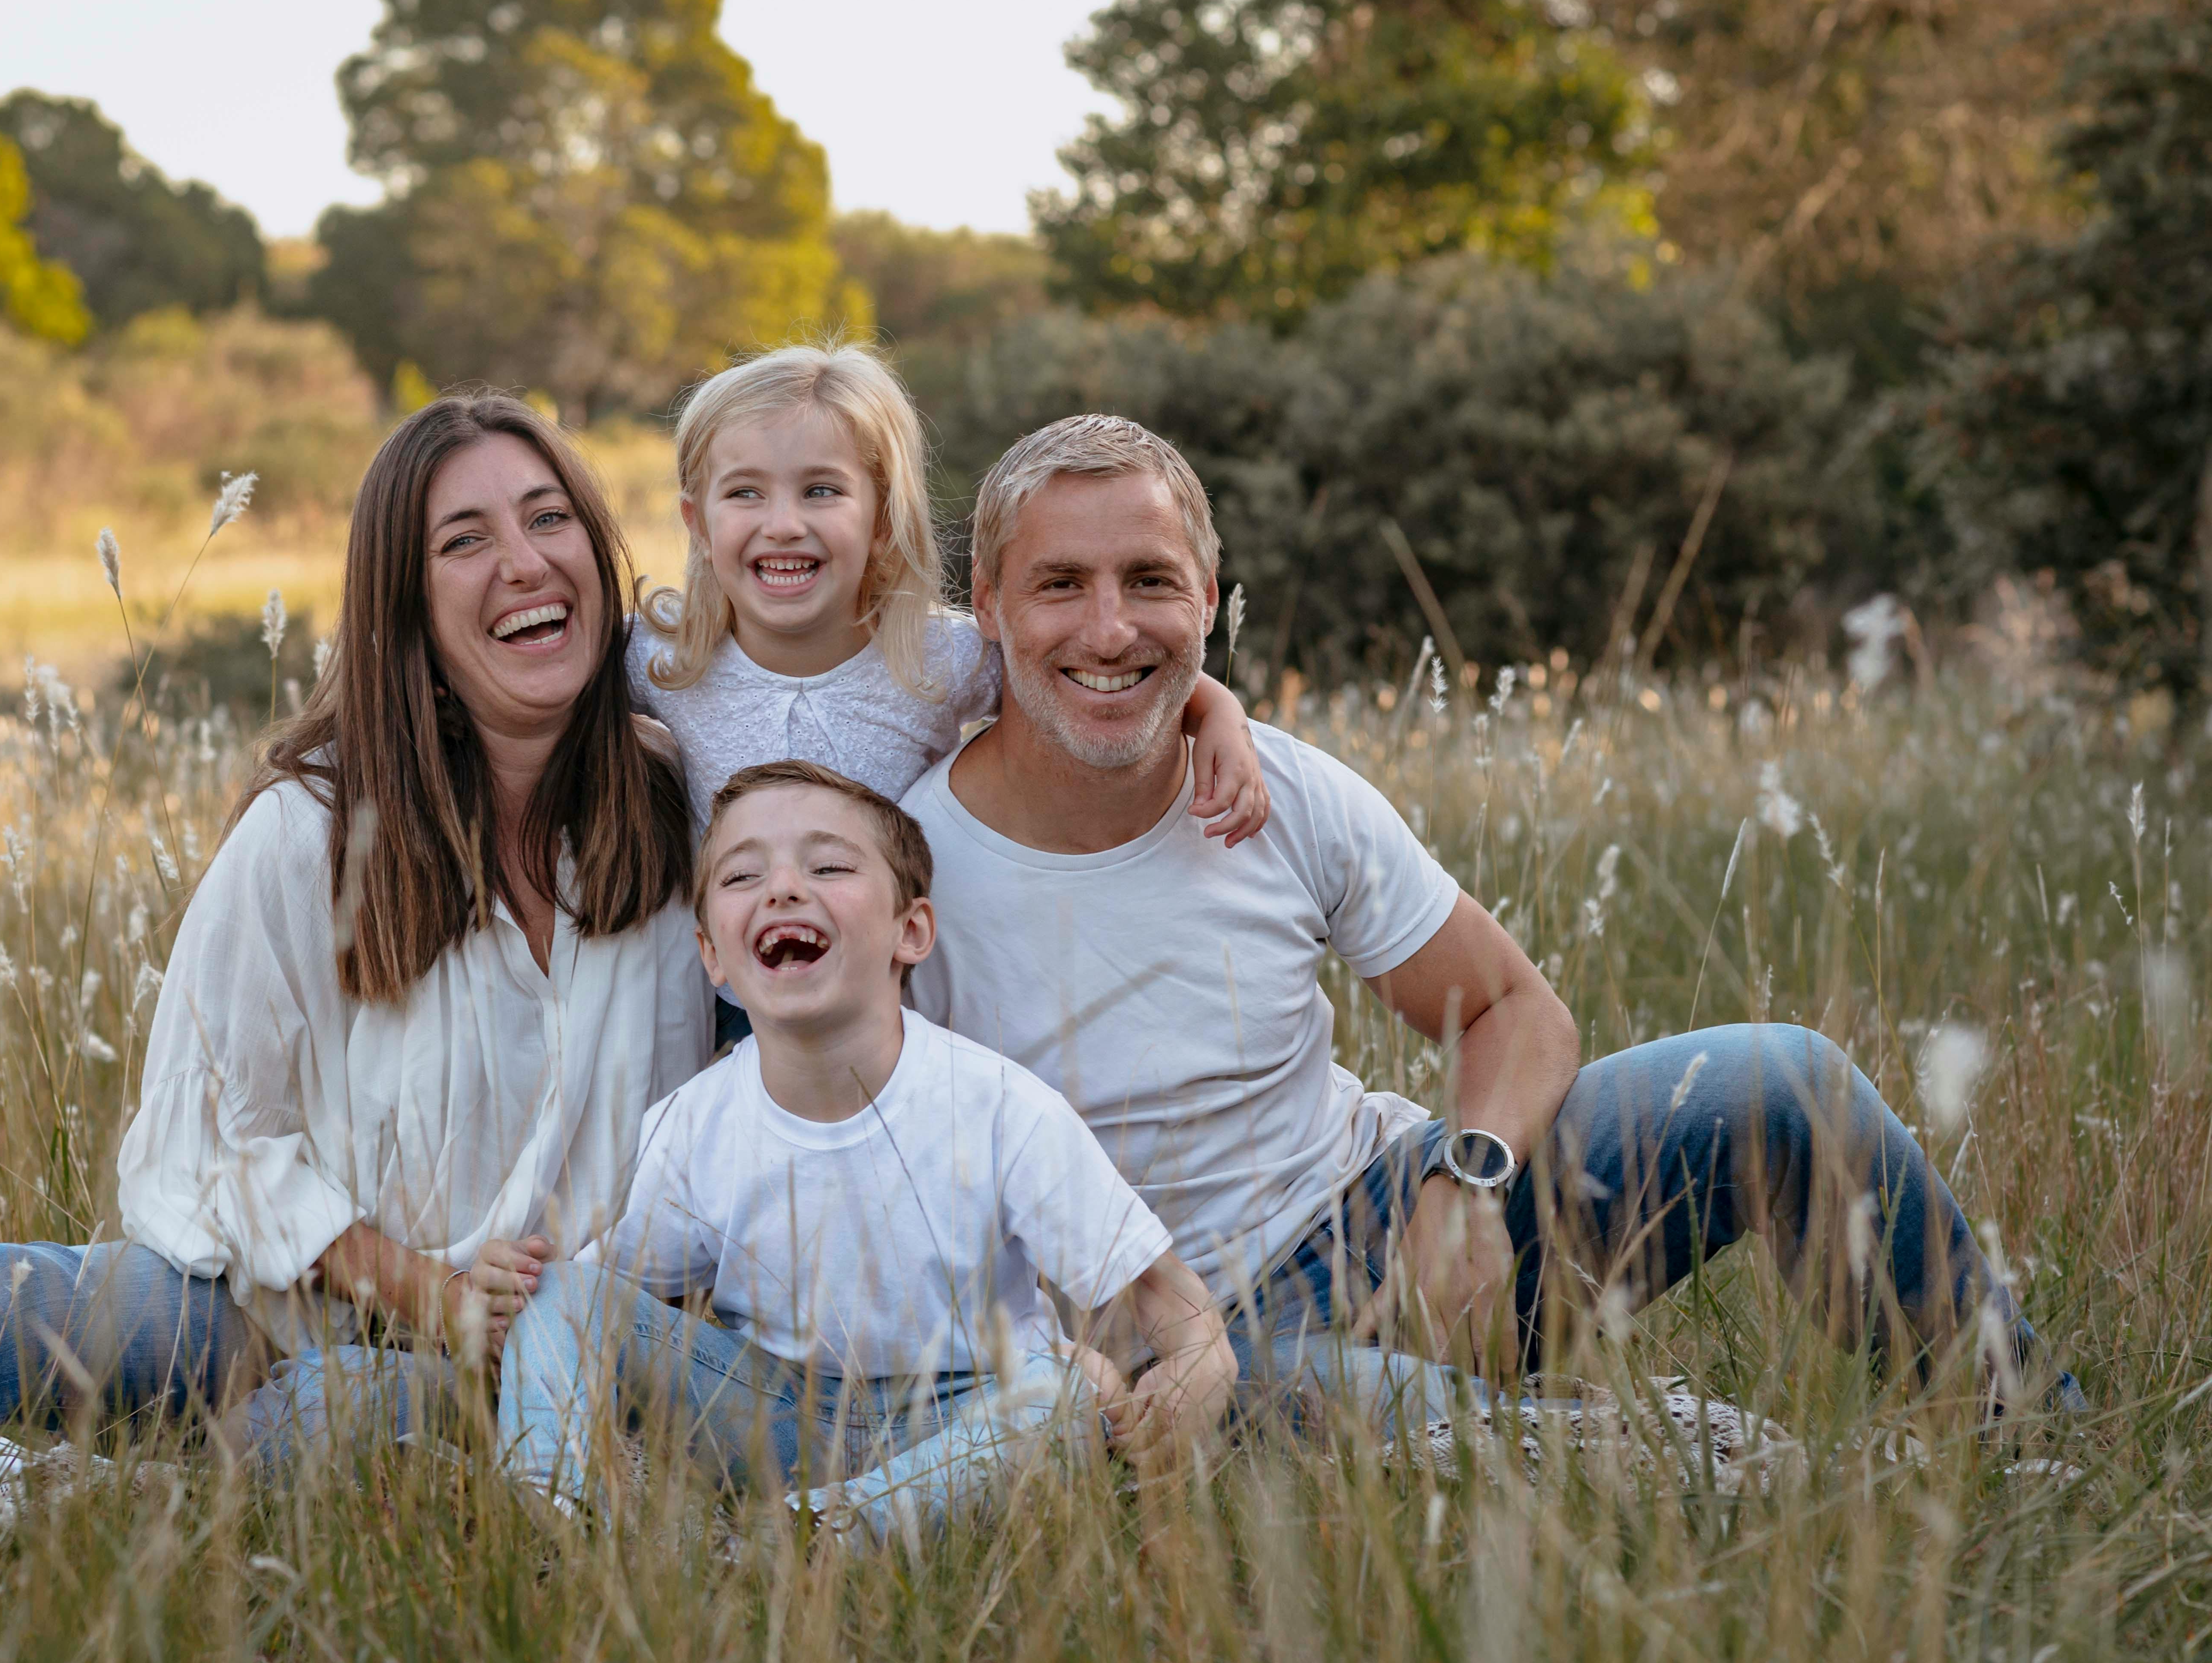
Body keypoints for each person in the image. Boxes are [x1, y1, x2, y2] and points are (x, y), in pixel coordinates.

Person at [0, 392, 713, 1524]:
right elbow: (214, 1134)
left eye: (550, 520)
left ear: (600, 551)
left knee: (347, 1421)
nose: (525, 563)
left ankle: (16, 1516)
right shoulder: (314, 830)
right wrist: (426, 1292)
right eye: (466, 541)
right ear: (410, 613)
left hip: (562, 1357)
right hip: (284, 1310)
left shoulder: (681, 814)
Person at [901, 413, 2077, 1418]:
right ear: (990, 607)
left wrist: (1463, 1189)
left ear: (1207, 598)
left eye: (1151, 581)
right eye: (1063, 585)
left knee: (1781, 1081)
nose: (1111, 630)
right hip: (1151, 1342)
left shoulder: (1290, 793)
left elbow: (1515, 1009)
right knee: (1378, 1421)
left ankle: (2030, 1436)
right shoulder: (908, 868)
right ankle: (1546, 1439)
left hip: (1382, 1224)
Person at [494, 761, 1238, 1542]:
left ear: (909, 932)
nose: (783, 888)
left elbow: (1164, 1296)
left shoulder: (998, 1108)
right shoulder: (694, 1122)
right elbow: (609, 1307)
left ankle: (821, 1535)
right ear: (713, 956)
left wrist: (1200, 1355)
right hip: (777, 1418)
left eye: (829, 867)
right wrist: (521, 1302)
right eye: (744, 874)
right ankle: (551, 1515)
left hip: (965, 1413)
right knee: (559, 1294)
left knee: (1060, 1403)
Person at [624, 342, 1270, 1047]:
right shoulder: (664, 657)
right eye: (745, 492)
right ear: (697, 520)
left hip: (902, 992)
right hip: (729, 990)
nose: (783, 522)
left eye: (821, 491)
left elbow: (1085, 673)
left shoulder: (936, 659)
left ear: (880, 520)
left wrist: (1217, 712)